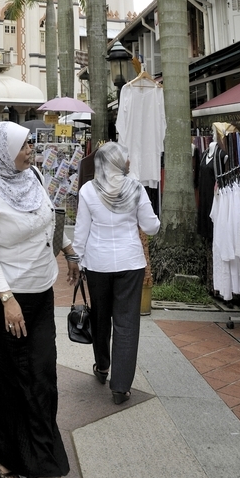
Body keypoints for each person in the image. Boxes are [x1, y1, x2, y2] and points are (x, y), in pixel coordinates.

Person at [0, 122, 79, 478]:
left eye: (30, 144)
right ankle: (3, 454)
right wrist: (7, 299)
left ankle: (41, 463)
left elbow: (48, 219)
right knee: (4, 380)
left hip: (39, 292)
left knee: (42, 378)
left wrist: (69, 250)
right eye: (23, 146)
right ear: (2, 153)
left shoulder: (33, 178)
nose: (30, 151)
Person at [72, 141, 160, 404]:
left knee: (100, 317)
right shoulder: (135, 188)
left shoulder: (88, 190)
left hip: (97, 263)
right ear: (116, 162)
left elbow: (81, 230)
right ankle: (120, 387)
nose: (129, 162)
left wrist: (76, 260)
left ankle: (102, 367)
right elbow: (151, 227)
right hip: (130, 263)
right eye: (126, 157)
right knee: (127, 323)